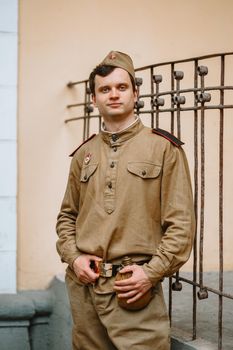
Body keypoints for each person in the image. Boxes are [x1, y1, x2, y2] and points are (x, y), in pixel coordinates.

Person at [56, 50, 195, 350]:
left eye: (121, 87)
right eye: (104, 89)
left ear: (136, 93)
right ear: (94, 99)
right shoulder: (84, 153)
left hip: (133, 292)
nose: (113, 95)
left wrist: (151, 273)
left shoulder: (164, 149)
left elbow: (181, 225)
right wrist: (73, 257)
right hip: (85, 290)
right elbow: (67, 216)